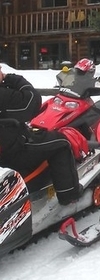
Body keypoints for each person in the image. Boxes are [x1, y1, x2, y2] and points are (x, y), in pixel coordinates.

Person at [0, 65, 84, 205]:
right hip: (11, 150)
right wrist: (13, 79)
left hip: (6, 147)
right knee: (61, 143)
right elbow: (32, 102)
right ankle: (69, 195)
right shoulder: (3, 95)